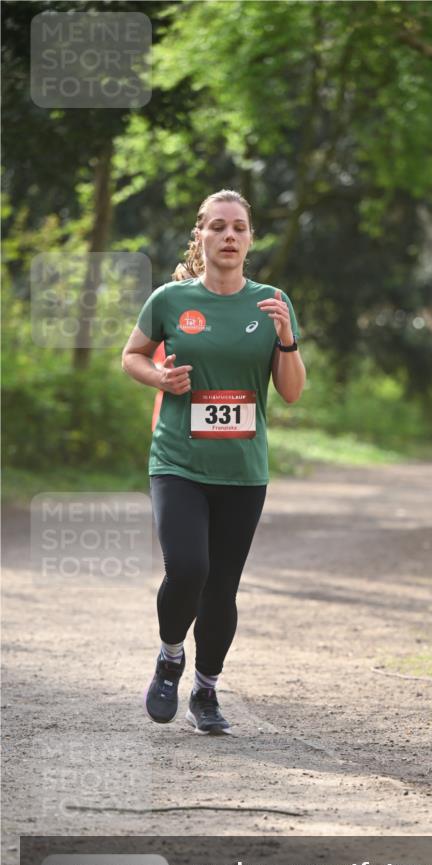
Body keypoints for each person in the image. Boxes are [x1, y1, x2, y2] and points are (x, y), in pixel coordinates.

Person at [121, 189, 306, 734]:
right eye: (218, 227)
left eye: (239, 228)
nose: (229, 236)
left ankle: (205, 691)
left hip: (243, 470)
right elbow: (131, 355)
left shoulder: (272, 302)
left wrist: (287, 339)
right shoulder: (170, 300)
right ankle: (170, 656)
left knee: (222, 587)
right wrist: (158, 376)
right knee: (188, 567)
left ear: (250, 239)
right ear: (199, 235)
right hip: (178, 460)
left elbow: (291, 392)